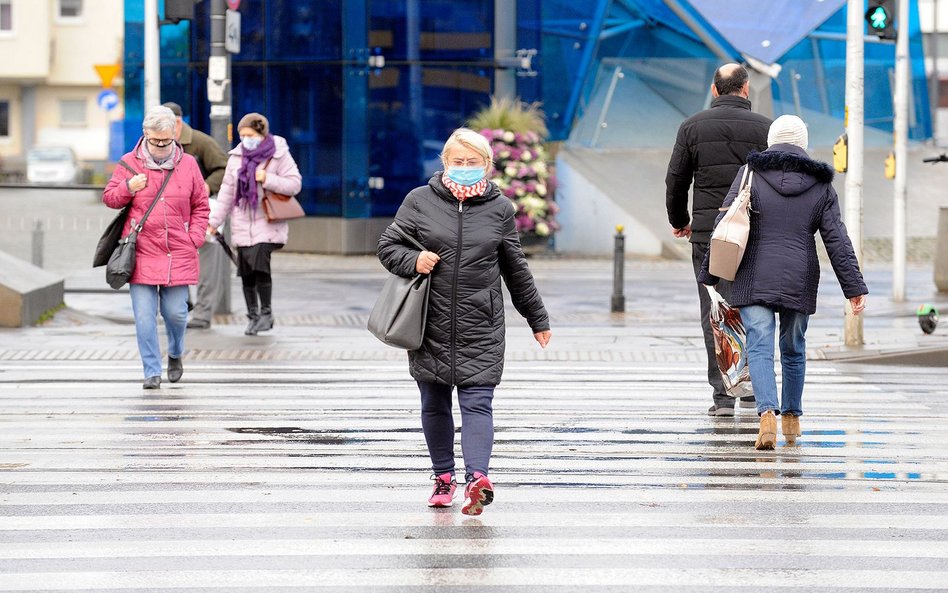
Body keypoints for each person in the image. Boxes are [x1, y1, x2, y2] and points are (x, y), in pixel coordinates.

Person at [377, 128, 552, 515]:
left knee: (478, 403)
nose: (466, 168)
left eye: (474, 162)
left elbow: (515, 268)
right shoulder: (419, 201)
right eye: (459, 161)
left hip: (482, 323)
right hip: (429, 322)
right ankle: (443, 476)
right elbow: (388, 246)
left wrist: (536, 317)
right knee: (434, 403)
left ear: (488, 166)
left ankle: (477, 478)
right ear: (445, 163)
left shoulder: (500, 209)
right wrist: (414, 260)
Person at [698, 115, 868, 450]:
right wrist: (855, 288)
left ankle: (766, 418)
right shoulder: (821, 185)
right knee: (793, 348)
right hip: (799, 275)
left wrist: (709, 273)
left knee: (759, 346)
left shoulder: (750, 174)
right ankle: (792, 418)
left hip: (754, 274)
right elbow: (837, 239)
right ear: (802, 143)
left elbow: (724, 224)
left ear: (771, 141)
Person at [665, 63, 772, 417]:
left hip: (710, 235)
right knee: (753, 308)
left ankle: (723, 396)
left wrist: (681, 222)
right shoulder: (765, 128)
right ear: (745, 90)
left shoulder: (691, 127)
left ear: (714, 90)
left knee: (714, 310)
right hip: (753, 233)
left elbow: (676, 181)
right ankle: (755, 391)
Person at [103, 105, 210, 389]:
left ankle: (175, 353)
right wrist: (128, 187)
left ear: (174, 135)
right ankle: (151, 370)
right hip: (140, 253)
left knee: (176, 313)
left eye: (166, 141)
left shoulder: (188, 165)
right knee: (144, 318)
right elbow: (110, 198)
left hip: (178, 250)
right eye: (155, 141)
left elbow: (201, 205)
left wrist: (195, 236)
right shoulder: (129, 162)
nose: (161, 146)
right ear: (145, 135)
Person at [207, 112, 301, 335]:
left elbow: (294, 184)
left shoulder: (279, 154)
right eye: (242, 135)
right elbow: (227, 194)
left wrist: (267, 178)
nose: (245, 139)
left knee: (259, 262)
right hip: (242, 223)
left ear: (261, 133)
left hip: (267, 222)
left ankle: (266, 314)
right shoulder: (236, 158)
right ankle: (253, 316)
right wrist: (214, 222)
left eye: (249, 134)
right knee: (246, 270)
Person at [161, 102, 229, 330]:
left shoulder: (201, 142)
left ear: (177, 122)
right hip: (172, 214)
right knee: (173, 261)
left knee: (207, 264)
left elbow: (224, 168)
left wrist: (206, 187)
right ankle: (185, 303)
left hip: (202, 211)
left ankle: (203, 313)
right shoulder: (161, 143)